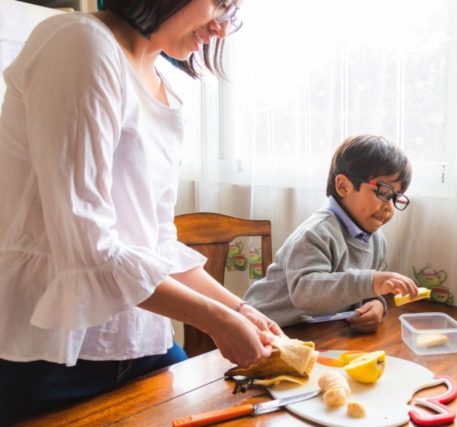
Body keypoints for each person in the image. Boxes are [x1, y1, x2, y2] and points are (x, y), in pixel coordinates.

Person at [0, 0, 283, 423]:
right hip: (51, 353)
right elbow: (88, 248)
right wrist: (218, 321)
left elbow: (157, 245)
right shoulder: (79, 44)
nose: (221, 29)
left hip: (138, 342)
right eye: (220, 4)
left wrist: (239, 311)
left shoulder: (162, 85)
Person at [243, 134, 419, 332]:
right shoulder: (317, 233)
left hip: (315, 331)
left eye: (395, 198)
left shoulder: (377, 241)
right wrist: (371, 281)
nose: (389, 208)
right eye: (383, 192)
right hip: (261, 329)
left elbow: (356, 291)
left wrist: (376, 304)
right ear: (343, 186)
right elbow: (306, 294)